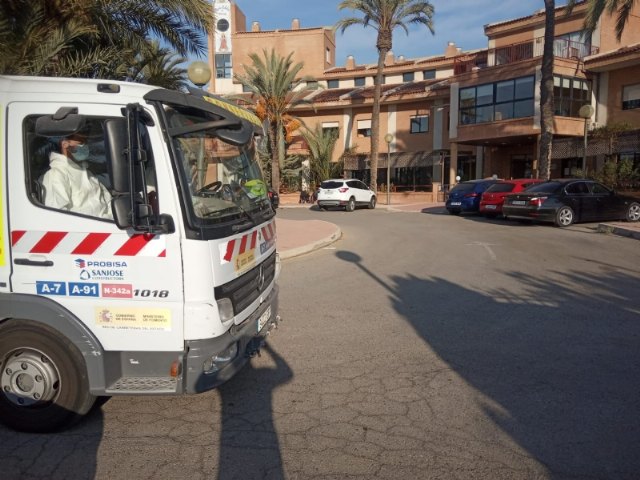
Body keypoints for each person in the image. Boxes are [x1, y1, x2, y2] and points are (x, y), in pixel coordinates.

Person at [42, 132, 113, 219]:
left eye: (86, 142)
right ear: (65, 144)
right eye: (81, 142)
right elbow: (58, 216)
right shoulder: (56, 175)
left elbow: (109, 202)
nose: (85, 146)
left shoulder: (88, 174)